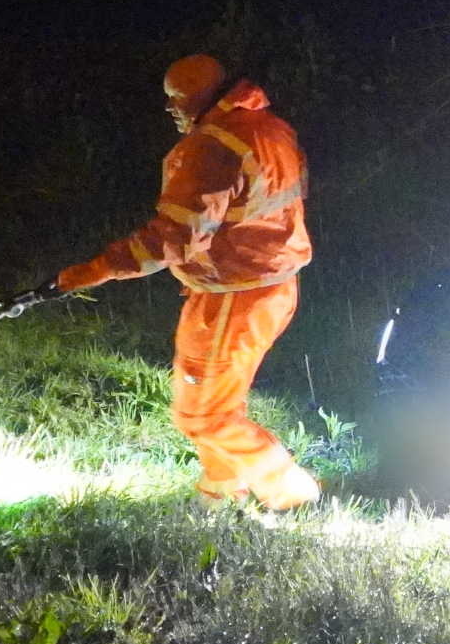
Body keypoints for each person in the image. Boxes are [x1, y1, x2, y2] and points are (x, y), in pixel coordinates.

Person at [54, 54, 319, 510]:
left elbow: (172, 238)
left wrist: (96, 270)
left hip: (236, 297)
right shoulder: (270, 128)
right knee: (218, 401)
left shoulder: (214, 146)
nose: (170, 109)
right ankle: (220, 491)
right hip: (259, 286)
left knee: (202, 412)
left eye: (175, 99)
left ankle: (292, 495)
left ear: (199, 97)